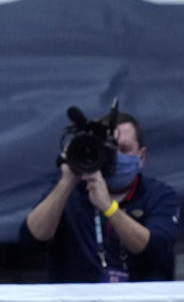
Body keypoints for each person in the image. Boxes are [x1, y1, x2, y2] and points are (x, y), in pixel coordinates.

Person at [20, 111, 180, 282]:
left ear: (141, 156)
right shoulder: (70, 192)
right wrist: (67, 180)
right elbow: (31, 240)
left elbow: (155, 248)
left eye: (124, 149)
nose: (115, 157)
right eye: (109, 149)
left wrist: (109, 207)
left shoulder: (160, 196)